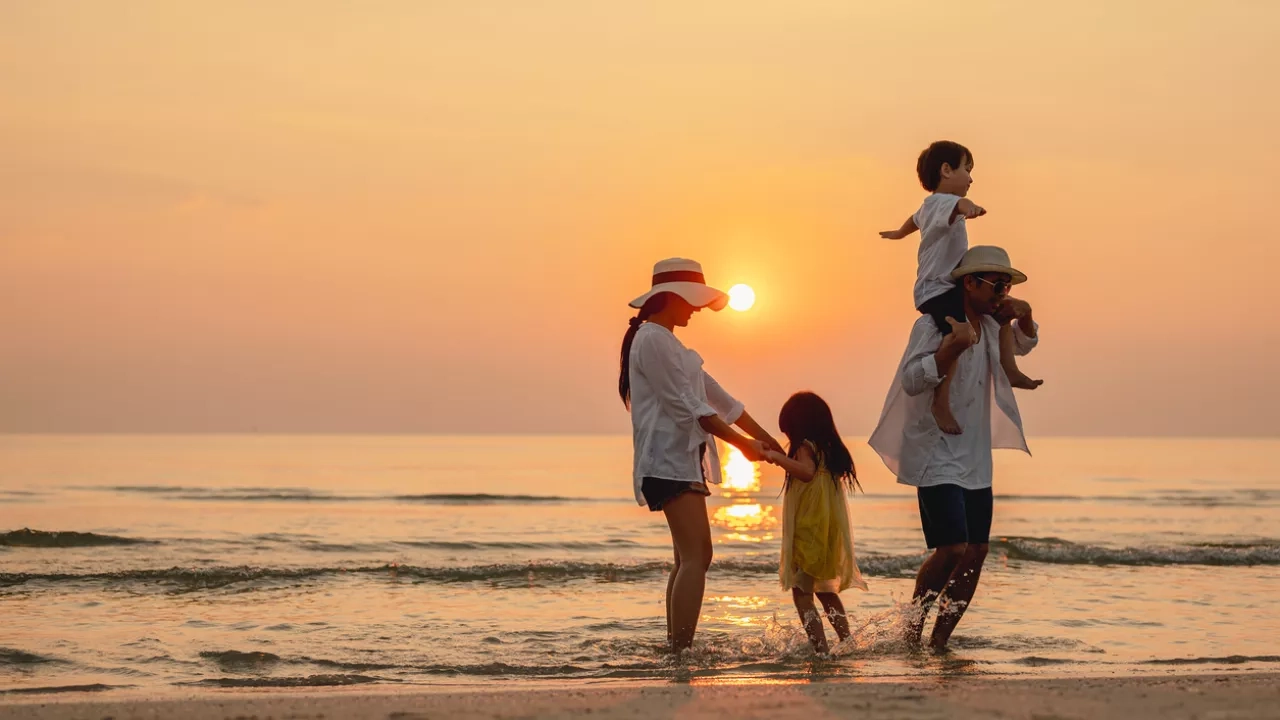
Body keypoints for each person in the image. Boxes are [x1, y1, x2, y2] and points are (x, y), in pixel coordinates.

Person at [867, 245, 1040, 649]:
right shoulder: (934, 325)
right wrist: (950, 348)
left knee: (977, 550)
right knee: (951, 548)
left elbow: (1024, 344)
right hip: (935, 451)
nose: (1002, 292)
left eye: (1007, 285)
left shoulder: (992, 327)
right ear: (970, 282)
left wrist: (1026, 312)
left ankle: (939, 642)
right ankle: (911, 630)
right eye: (996, 284)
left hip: (975, 456)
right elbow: (912, 379)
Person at [619, 257, 783, 652]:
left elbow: (721, 400)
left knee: (688, 559)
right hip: (667, 462)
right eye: (691, 300)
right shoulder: (653, 339)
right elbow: (690, 408)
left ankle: (676, 648)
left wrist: (770, 441)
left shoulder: (670, 343)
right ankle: (680, 651)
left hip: (681, 460)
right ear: (670, 297)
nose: (696, 309)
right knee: (698, 556)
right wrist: (744, 447)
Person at [879, 141, 1042, 435]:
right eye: (967, 169)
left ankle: (1011, 370)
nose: (970, 177)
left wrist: (898, 233)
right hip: (938, 290)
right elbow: (960, 205)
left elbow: (912, 222)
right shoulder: (942, 203)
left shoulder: (927, 209)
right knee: (958, 337)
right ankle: (941, 401)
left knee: (1002, 315)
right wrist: (972, 208)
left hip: (943, 287)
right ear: (946, 170)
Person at [762, 392, 867, 654]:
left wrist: (776, 458)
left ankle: (820, 650)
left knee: (802, 592)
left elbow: (806, 473)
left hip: (809, 529)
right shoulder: (828, 451)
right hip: (826, 530)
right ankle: (847, 642)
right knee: (826, 591)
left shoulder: (805, 448)